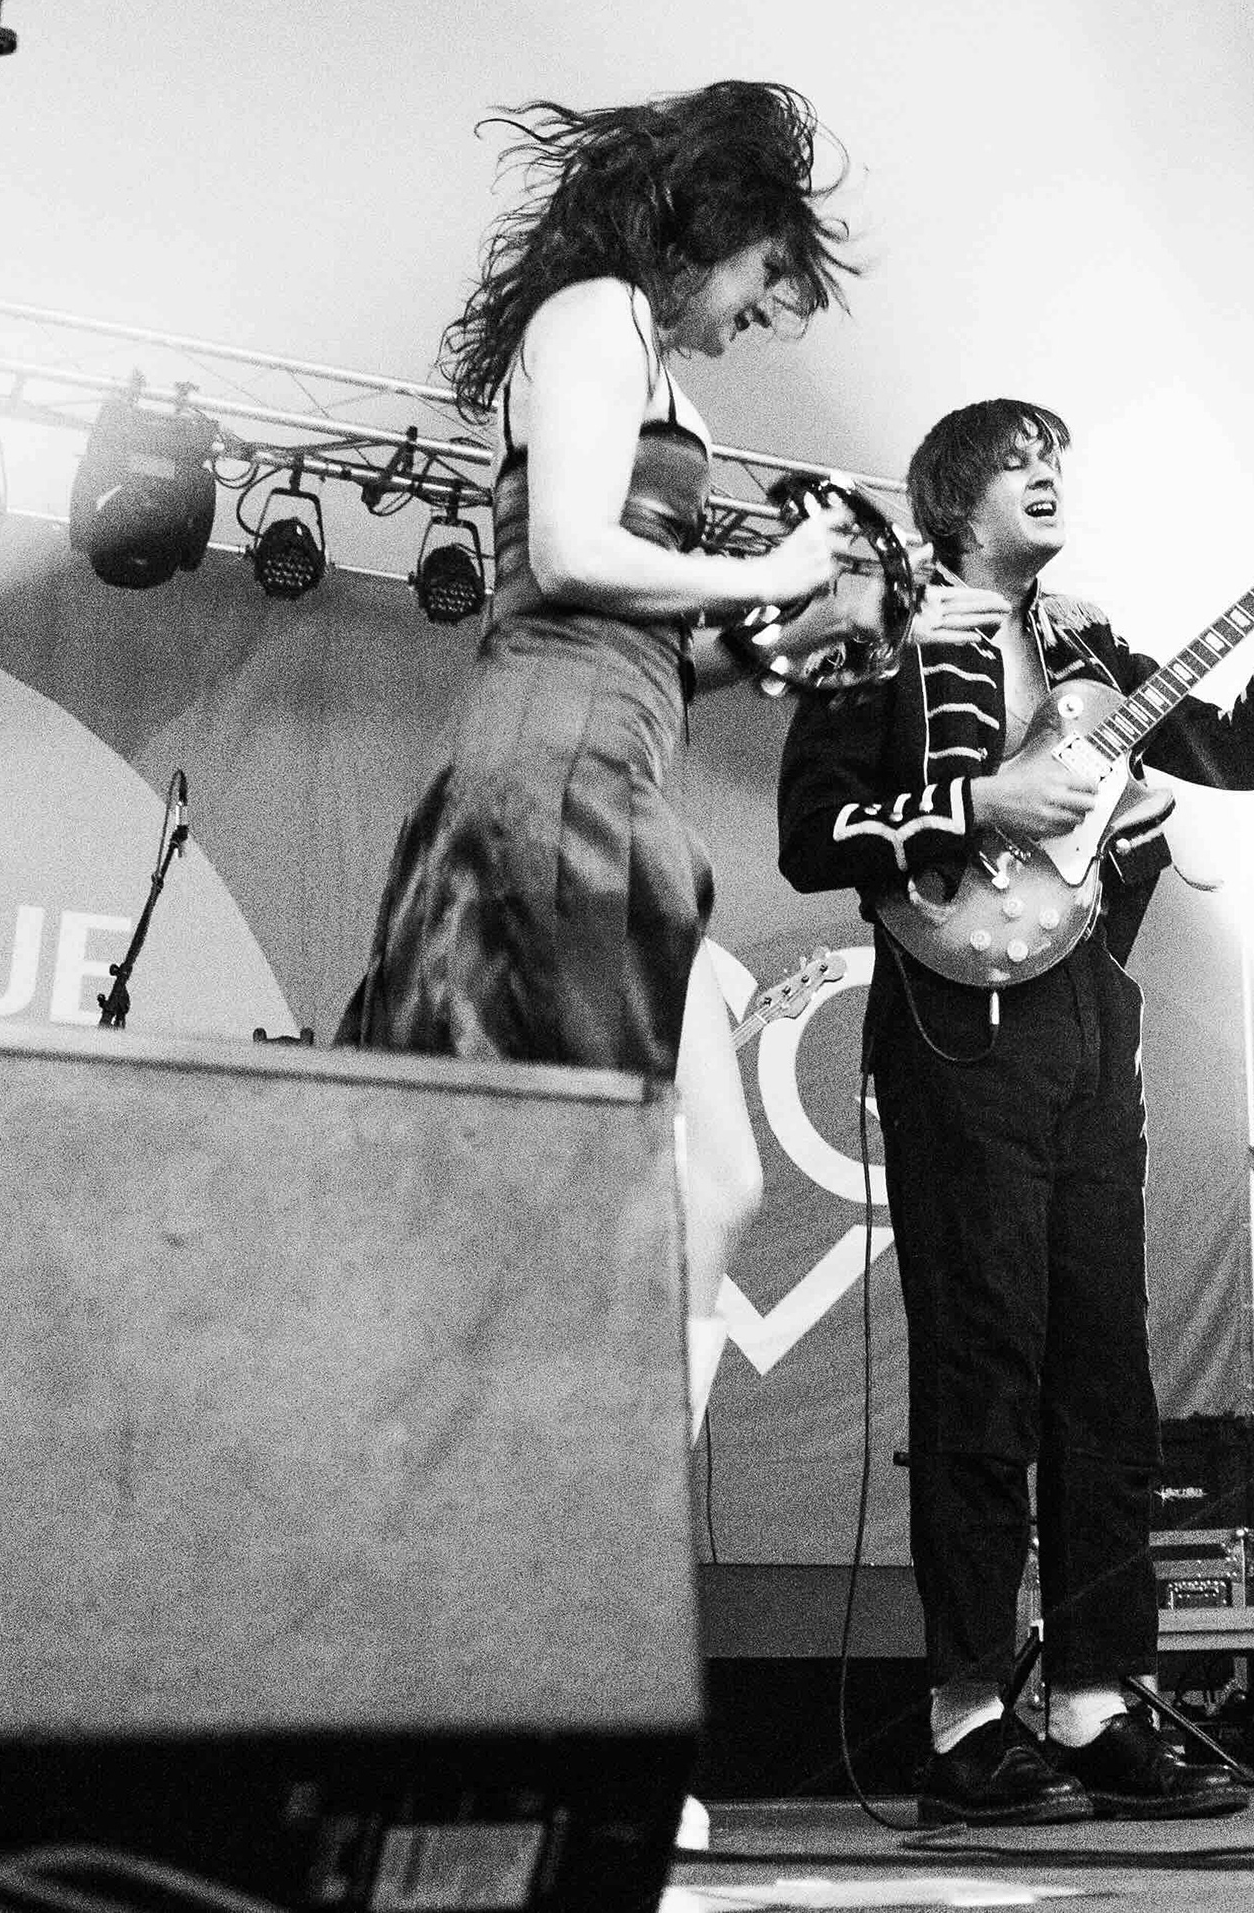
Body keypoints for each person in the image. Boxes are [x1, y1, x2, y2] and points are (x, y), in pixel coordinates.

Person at [776, 400, 1254, 1826]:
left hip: (1091, 1012)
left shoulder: (1090, 640)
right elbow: (811, 833)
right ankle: (968, 1722)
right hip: (957, 1020)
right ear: (953, 498)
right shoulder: (883, 635)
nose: (1048, 477)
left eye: (1057, 460)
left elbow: (1228, 754)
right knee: (982, 1370)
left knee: (1105, 1378)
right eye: (1019, 460)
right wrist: (986, 797)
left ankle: (1098, 1705)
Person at [337, 81, 874, 1426]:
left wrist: (790, 633)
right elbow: (572, 553)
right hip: (554, 764)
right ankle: (558, 1487)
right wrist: (773, 569)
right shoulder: (598, 317)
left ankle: (604, 1502)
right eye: (764, 274)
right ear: (716, 222)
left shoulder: (652, 361)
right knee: (599, 1176)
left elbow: (645, 640)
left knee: (718, 1183)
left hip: (609, 759)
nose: (762, 312)